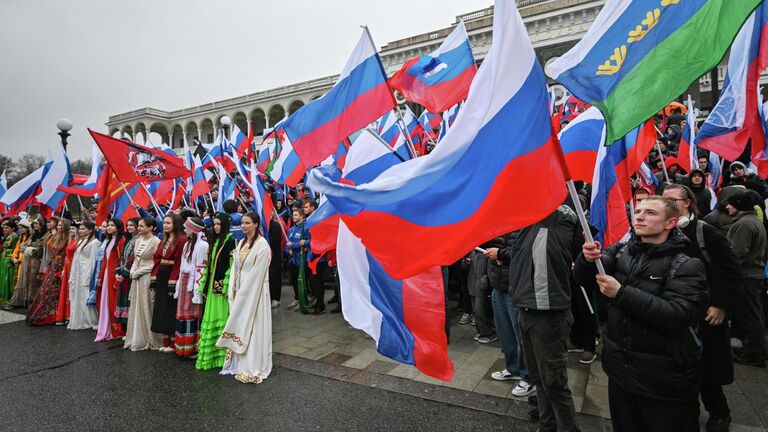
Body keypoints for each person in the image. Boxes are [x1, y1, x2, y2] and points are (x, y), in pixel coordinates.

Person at [574, 196, 708, 432]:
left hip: (663, 380)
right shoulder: (621, 250)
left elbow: (677, 315)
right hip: (621, 372)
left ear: (670, 223)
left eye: (650, 213)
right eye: (637, 211)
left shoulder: (686, 264)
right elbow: (585, 279)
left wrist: (621, 293)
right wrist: (587, 260)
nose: (640, 216)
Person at [662, 184, 743, 431]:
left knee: (708, 374)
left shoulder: (704, 233)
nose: (665, 204)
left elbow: (731, 273)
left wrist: (720, 306)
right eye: (661, 200)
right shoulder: (662, 232)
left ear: (687, 202)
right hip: (673, 314)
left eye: (671, 200)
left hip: (705, 315)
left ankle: (719, 413)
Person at [495, 205, 581, 432]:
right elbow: (520, 251)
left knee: (554, 382)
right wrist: (501, 254)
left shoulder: (559, 218)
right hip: (527, 310)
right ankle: (547, 426)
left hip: (549, 315)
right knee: (539, 379)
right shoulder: (528, 221)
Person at [216, 212, 272, 384]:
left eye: (248, 222)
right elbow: (235, 268)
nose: (244, 225)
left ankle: (253, 364)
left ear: (256, 224)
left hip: (255, 292)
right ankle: (238, 361)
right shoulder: (241, 242)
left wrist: (243, 293)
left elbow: (258, 273)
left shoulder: (262, 245)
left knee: (254, 327)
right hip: (240, 291)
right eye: (242, 222)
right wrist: (233, 287)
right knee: (240, 323)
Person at [725, 190, 768, 367]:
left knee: (751, 315)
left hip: (748, 277)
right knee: (752, 314)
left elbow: (737, 254)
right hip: (752, 275)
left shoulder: (744, 224)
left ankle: (756, 353)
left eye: (730, 203)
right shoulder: (751, 221)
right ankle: (753, 348)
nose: (727, 206)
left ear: (740, 205)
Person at [196, 213, 236, 370]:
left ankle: (222, 356)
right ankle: (212, 354)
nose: (216, 226)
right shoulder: (215, 240)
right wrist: (204, 285)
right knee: (210, 318)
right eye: (214, 224)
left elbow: (231, 266)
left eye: (219, 224)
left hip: (221, 289)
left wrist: (226, 286)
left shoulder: (231, 241)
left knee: (221, 318)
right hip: (212, 287)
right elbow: (209, 265)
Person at [123, 217, 162, 351]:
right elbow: (135, 259)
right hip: (136, 277)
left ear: (151, 227)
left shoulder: (156, 241)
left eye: (141, 226)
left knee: (146, 305)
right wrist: (133, 270)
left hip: (147, 276)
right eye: (138, 226)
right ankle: (134, 336)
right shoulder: (138, 240)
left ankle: (150, 337)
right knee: (136, 304)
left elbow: (155, 262)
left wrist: (140, 271)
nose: (139, 228)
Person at [151, 213, 186, 353]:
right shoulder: (163, 240)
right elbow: (157, 258)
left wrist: (174, 279)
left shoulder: (181, 240)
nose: (165, 225)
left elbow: (179, 262)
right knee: (161, 306)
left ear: (175, 224)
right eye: (164, 223)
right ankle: (165, 338)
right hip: (162, 274)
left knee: (171, 306)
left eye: (168, 223)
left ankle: (173, 341)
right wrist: (154, 278)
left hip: (172, 274)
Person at [175, 217, 208, 358]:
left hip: (193, 283)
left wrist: (197, 291)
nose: (184, 230)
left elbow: (201, 268)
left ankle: (193, 347)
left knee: (193, 314)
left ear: (194, 230)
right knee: (184, 313)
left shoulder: (202, 246)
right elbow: (183, 266)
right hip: (184, 280)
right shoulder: (188, 244)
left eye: (187, 227)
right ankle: (183, 346)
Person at [27, 218, 70, 326]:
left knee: (57, 290)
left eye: (61, 226)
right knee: (48, 290)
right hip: (53, 265)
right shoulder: (55, 236)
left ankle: (58, 313)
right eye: (58, 225)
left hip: (62, 266)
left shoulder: (68, 238)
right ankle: (50, 311)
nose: (59, 227)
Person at [95, 219, 126, 341]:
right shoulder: (109, 241)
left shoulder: (121, 242)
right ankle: (107, 327)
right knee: (106, 301)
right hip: (107, 274)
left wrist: (118, 277)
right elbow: (105, 261)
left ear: (118, 228)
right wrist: (100, 276)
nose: (108, 227)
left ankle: (116, 330)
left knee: (113, 302)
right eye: (108, 225)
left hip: (115, 275)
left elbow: (122, 260)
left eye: (112, 225)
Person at [6, 217, 46, 309]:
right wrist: (28, 249)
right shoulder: (33, 235)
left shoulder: (46, 235)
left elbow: (38, 251)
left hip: (36, 262)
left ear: (42, 224)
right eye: (34, 223)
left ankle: (32, 302)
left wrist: (27, 249)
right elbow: (22, 247)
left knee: (34, 282)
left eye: (37, 223)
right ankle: (24, 300)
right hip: (27, 261)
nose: (35, 225)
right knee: (25, 281)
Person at [67, 221, 100, 331]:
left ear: (90, 230)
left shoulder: (95, 242)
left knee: (85, 295)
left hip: (86, 272)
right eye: (80, 229)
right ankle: (79, 318)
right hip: (78, 271)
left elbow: (93, 260)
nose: (80, 231)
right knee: (77, 295)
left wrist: (88, 277)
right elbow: (76, 258)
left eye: (83, 229)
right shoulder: (82, 241)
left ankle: (90, 320)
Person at [114, 217, 139, 333]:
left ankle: (130, 329)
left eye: (132, 225)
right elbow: (123, 257)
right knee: (123, 299)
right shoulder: (129, 239)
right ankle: (124, 328)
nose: (129, 227)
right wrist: (118, 272)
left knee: (129, 300)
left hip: (131, 273)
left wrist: (124, 273)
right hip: (123, 272)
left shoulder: (138, 240)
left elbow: (133, 258)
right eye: (128, 225)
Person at [54, 221, 79, 325]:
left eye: (73, 229)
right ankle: (64, 315)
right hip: (67, 266)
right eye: (70, 229)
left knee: (72, 291)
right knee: (66, 291)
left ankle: (71, 314)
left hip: (74, 267)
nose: (71, 231)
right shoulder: (71, 240)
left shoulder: (79, 241)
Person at [285, 208, 310, 312]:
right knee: (293, 281)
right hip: (292, 260)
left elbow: (306, 243)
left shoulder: (305, 228)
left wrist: (293, 246)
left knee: (302, 281)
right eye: (293, 215)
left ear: (301, 216)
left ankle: (304, 299)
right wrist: (288, 250)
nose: (294, 217)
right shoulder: (291, 229)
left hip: (300, 259)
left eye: (296, 215)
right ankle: (297, 298)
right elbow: (287, 244)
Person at [9, 220, 31, 296]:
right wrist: (14, 257)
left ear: (27, 228)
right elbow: (16, 249)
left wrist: (19, 259)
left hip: (24, 262)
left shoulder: (30, 238)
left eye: (21, 228)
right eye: (19, 228)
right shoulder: (21, 237)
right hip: (17, 262)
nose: (20, 230)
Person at [0, 220, 19, 303]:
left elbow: (15, 249)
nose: (4, 229)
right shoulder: (8, 236)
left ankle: (7, 297)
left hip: (8, 259)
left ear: (13, 228)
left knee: (7, 278)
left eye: (6, 227)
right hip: (3, 258)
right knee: (2, 277)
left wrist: (11, 258)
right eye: (3, 227)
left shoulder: (14, 236)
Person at [268, 212, 283, 309]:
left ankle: (275, 298)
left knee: (275, 277)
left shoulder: (276, 226)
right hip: (266, 255)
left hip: (275, 255)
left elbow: (275, 241)